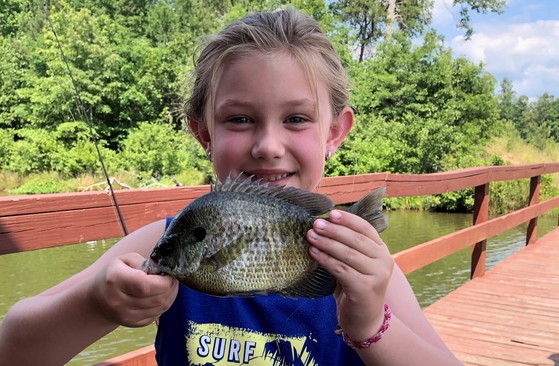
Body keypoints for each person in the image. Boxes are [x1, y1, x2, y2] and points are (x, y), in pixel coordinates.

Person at [0, 9, 463, 366]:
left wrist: (369, 324)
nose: (267, 145)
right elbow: (12, 348)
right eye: (239, 119)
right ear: (204, 133)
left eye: (296, 119)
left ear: (334, 133)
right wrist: (97, 303)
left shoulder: (358, 261)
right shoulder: (168, 240)